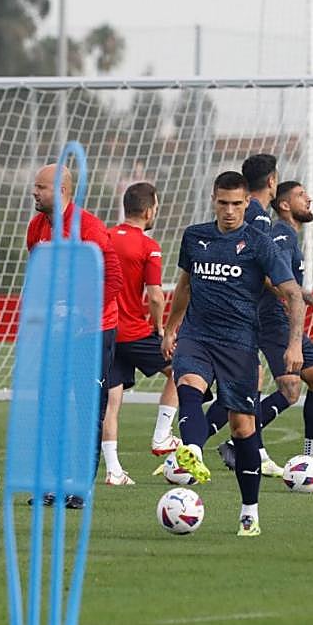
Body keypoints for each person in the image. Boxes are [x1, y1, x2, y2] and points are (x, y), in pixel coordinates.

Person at [161, 171, 303, 537]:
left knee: (243, 428)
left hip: (239, 343)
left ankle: (249, 512)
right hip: (197, 335)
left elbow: (292, 294)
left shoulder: (259, 243)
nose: (229, 211)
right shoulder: (195, 237)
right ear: (214, 199)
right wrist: (171, 328)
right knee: (188, 383)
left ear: (246, 203)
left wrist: (294, 343)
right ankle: (192, 448)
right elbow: (184, 286)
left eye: (236, 204)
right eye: (223, 203)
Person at [214, 176, 313, 469]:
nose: (308, 198)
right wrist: (307, 300)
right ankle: (238, 442)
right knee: (290, 389)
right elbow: (273, 279)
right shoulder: (282, 235)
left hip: (278, 319)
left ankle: (312, 453)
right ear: (284, 205)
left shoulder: (289, 235)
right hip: (273, 321)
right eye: (301, 195)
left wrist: (308, 299)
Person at [27, 163, 123, 503]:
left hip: (92, 333)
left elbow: (113, 279)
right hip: (56, 334)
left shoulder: (89, 228)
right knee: (50, 405)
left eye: (41, 187)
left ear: (63, 190)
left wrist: (83, 314)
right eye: (35, 186)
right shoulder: (37, 227)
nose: (34, 192)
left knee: (86, 409)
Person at [208, 153, 285, 475]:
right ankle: (189, 445)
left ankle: (254, 449)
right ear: (272, 181)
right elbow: (249, 263)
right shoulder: (257, 215)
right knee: (241, 382)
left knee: (252, 381)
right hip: (239, 313)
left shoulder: (254, 212)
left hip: (238, 310)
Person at [100, 182, 180, 486]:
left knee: (112, 400)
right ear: (149, 211)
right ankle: (162, 436)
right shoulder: (149, 246)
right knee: (182, 370)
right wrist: (161, 329)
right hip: (134, 330)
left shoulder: (103, 237)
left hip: (105, 330)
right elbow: (157, 296)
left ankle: (114, 471)